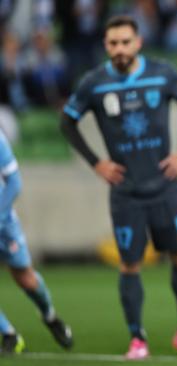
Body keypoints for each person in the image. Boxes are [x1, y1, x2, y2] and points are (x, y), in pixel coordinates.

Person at [59, 15, 177, 359]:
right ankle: (137, 337)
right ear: (105, 46)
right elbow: (67, 121)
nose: (120, 49)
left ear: (138, 42)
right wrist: (96, 161)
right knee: (130, 264)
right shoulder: (94, 83)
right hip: (126, 192)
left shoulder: (162, 73)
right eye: (113, 43)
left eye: (125, 42)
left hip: (166, 186)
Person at [0, 130, 73, 355]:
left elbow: (14, 182)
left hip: (4, 223)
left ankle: (50, 316)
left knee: (25, 278)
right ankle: (10, 335)